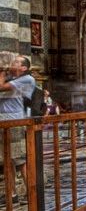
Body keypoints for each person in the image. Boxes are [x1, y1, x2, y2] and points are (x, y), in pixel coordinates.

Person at [0, 55, 36, 199]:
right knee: (7, 160)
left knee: (19, 159)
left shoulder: (27, 79)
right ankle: (11, 193)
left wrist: (1, 72)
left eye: (16, 62)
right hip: (3, 121)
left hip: (14, 122)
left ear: (24, 68)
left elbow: (0, 87)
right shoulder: (12, 79)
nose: (12, 63)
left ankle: (31, 193)